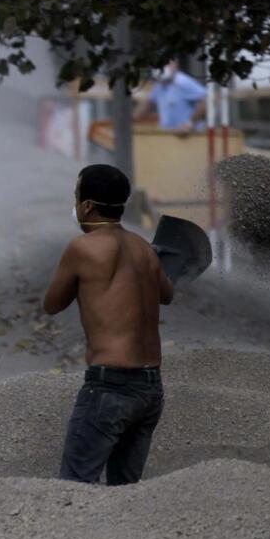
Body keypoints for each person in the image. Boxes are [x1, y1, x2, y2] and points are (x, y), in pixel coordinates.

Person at [42, 164, 172, 485]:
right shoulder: (144, 249)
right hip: (150, 388)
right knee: (125, 492)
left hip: (109, 386)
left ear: (87, 205)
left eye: (76, 196)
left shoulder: (82, 248)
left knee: (74, 486)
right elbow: (167, 294)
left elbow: (52, 304)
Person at [135, 61, 207, 131]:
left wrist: (190, 123)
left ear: (175, 65)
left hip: (188, 136)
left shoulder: (182, 82)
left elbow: (206, 101)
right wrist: (132, 118)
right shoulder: (159, 85)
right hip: (169, 134)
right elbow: (148, 103)